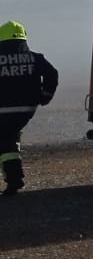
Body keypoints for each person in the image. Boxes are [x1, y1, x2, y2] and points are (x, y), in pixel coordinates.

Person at [0, 21, 58, 197]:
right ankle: (14, 180)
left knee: (5, 142)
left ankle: (14, 180)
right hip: (26, 110)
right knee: (8, 140)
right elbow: (52, 74)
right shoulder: (35, 58)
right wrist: (45, 96)